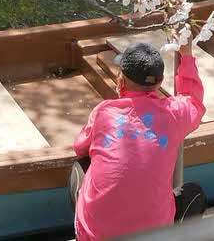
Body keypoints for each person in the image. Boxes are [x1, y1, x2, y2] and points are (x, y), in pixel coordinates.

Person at [72, 39, 206, 241]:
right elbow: (193, 99)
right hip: (154, 235)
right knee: (195, 194)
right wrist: (186, 54)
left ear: (121, 80)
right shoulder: (175, 114)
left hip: (95, 237)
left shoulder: (103, 112)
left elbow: (80, 147)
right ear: (159, 83)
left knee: (79, 165)